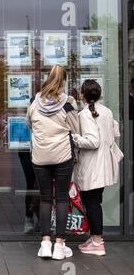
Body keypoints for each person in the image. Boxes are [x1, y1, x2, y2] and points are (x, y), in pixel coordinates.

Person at [26, 64, 80, 260]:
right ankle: (60, 245)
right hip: (63, 156)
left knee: (45, 198)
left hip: (40, 156)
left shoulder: (34, 100)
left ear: (48, 78)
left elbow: (29, 123)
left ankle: (45, 243)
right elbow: (76, 129)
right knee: (62, 198)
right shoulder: (69, 102)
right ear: (63, 80)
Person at [74, 80, 121, 257]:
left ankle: (97, 242)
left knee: (92, 204)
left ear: (83, 95)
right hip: (104, 165)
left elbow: (93, 141)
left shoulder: (85, 114)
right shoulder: (107, 111)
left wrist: (75, 138)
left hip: (92, 165)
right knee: (95, 202)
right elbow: (116, 132)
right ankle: (95, 238)